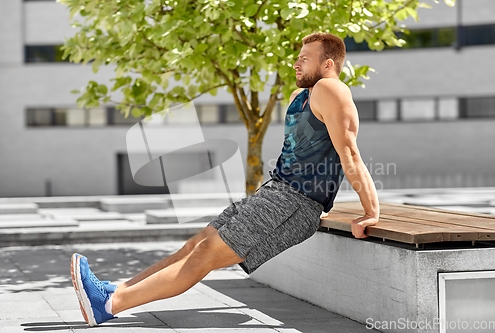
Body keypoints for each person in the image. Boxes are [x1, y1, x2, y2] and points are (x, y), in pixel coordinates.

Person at [70, 32, 380, 327]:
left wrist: (371, 211)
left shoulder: (332, 89)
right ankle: (114, 291)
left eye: (305, 58)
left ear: (328, 64)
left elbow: (349, 153)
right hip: (275, 192)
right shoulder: (301, 95)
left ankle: (110, 305)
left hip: (294, 202)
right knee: (197, 244)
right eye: (297, 57)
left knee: (205, 255)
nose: (296, 63)